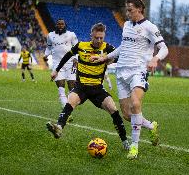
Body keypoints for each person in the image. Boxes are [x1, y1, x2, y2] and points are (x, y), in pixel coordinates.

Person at [90, 0, 168, 159]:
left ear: (139, 9)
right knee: (126, 114)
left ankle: (135, 147)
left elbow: (163, 48)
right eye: (126, 10)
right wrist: (104, 57)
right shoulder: (126, 25)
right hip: (121, 71)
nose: (127, 13)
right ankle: (150, 125)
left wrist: (155, 59)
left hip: (138, 71)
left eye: (130, 10)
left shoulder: (149, 27)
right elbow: (123, 47)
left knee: (135, 103)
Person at [46, 22, 130, 150]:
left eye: (101, 38)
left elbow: (121, 57)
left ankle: (125, 142)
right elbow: (66, 56)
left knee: (113, 109)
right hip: (81, 87)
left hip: (97, 89)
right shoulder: (81, 46)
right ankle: (59, 128)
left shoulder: (107, 48)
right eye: (96, 37)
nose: (99, 40)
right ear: (91, 35)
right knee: (71, 101)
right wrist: (56, 70)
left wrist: (108, 58)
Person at [43, 19, 78, 108]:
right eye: (59, 24)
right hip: (57, 64)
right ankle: (66, 110)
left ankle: (68, 107)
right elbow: (49, 48)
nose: (60, 26)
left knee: (72, 87)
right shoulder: (50, 35)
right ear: (56, 25)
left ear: (65, 25)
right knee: (61, 87)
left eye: (62, 24)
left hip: (70, 63)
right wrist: (46, 55)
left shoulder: (71, 35)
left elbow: (77, 48)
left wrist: (75, 60)